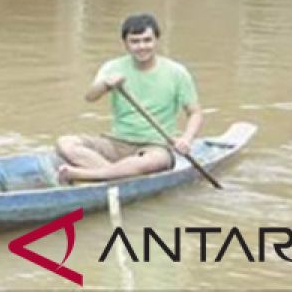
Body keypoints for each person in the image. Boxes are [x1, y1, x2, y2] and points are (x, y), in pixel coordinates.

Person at [56, 13, 202, 183]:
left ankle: (86, 175)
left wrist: (186, 139)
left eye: (147, 40)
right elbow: (90, 97)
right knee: (65, 143)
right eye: (135, 41)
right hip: (117, 142)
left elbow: (195, 113)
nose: (142, 46)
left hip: (156, 147)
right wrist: (105, 84)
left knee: (151, 162)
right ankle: (114, 175)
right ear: (126, 44)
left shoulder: (177, 72)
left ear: (156, 41)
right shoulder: (113, 67)